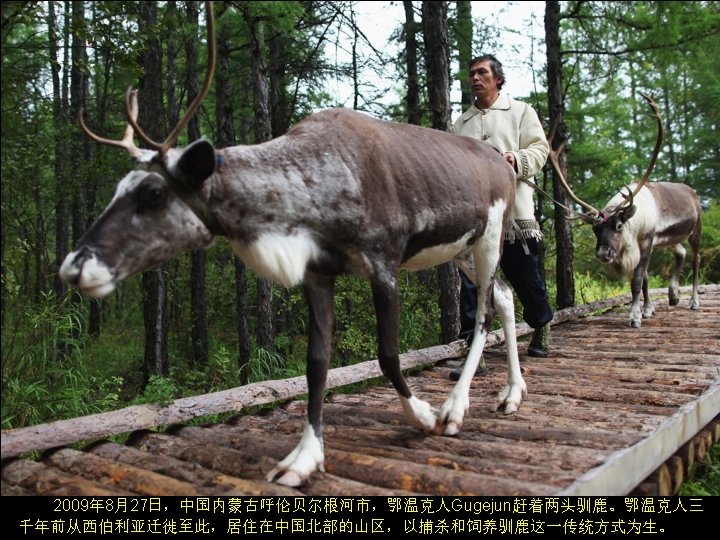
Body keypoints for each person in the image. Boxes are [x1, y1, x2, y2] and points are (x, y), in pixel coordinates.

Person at [449, 54, 553, 381]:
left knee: (525, 278)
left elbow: (540, 150)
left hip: (513, 216)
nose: (475, 78)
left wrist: (515, 159)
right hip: (473, 220)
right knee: (471, 282)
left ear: (498, 78)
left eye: (482, 73)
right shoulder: (460, 124)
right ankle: (472, 349)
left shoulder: (520, 111)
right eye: (472, 74)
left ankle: (540, 325)